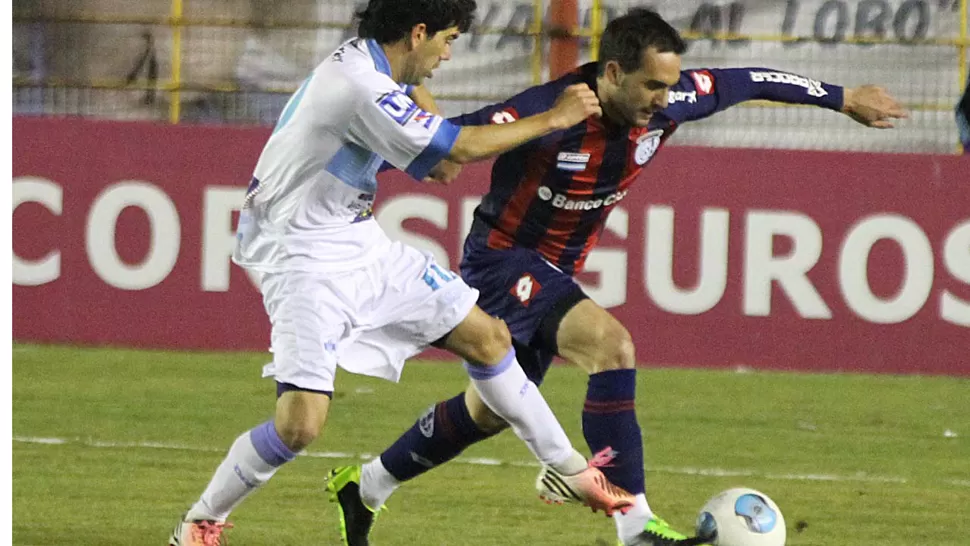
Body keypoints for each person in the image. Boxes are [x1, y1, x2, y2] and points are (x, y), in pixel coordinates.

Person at [327, 7, 908, 546]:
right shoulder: (549, 107)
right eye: (651, 85)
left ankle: (367, 484)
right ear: (611, 72)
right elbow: (450, 152)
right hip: (502, 261)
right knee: (612, 347)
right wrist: (403, 82)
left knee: (491, 410)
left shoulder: (674, 99)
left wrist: (842, 97)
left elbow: (751, 79)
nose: (664, 97)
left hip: (554, 268)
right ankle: (635, 523)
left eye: (669, 84)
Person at [168, 1, 643, 545]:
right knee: (300, 425)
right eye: (446, 40)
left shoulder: (378, 73)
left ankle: (570, 468)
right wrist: (554, 119)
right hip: (301, 255)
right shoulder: (359, 86)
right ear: (417, 32)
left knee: (487, 337)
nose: (446, 55)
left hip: (357, 241)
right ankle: (201, 521)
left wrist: (420, 90)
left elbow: (440, 166)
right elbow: (458, 148)